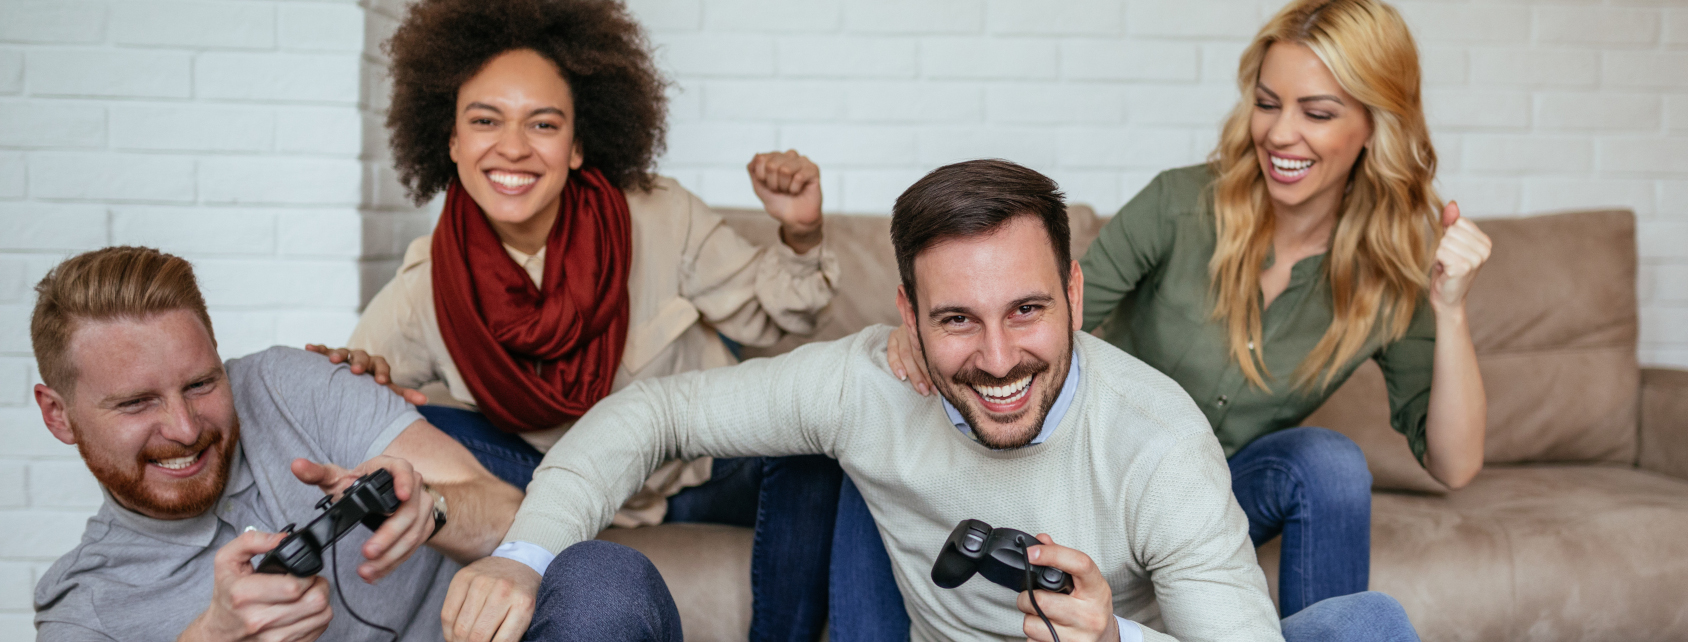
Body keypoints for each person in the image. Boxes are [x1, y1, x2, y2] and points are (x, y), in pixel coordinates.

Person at [445, 159, 1420, 642]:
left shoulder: (1156, 437)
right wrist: (526, 559)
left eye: (1028, 310)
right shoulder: (868, 379)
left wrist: (1115, 636)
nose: (998, 359)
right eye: (956, 320)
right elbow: (654, 415)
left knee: (1365, 625)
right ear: (906, 316)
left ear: (1075, 295)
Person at [879, 0, 1493, 622]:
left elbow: (1454, 463)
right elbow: (1041, 332)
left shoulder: (1392, 269)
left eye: (1317, 112)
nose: (1280, 133)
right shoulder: (1178, 205)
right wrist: (925, 340)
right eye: (1267, 102)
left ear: (1375, 123)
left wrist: (1450, 307)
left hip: (1218, 501)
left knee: (1327, 462)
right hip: (1107, 484)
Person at [308, 1, 845, 639]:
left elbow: (771, 315)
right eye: (485, 120)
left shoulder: (659, 216)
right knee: (407, 429)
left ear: (576, 145)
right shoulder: (428, 283)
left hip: (693, 477)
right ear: (451, 140)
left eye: (542, 124)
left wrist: (802, 231)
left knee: (813, 442)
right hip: (545, 484)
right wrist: (357, 379)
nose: (512, 147)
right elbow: (350, 408)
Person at [28, 246, 680, 642]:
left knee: (604, 577)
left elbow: (515, 519)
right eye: (137, 402)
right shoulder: (85, 607)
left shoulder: (286, 383)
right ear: (58, 415)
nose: (184, 427)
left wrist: (434, 510)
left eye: (201, 383)